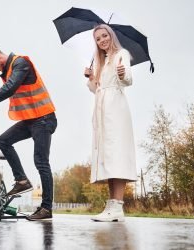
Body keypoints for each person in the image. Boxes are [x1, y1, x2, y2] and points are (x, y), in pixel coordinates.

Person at [0, 47, 57, 221]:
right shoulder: (11, 70)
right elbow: (2, 89)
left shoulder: (21, 63)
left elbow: (9, 89)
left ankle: (46, 208)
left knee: (41, 162)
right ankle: (21, 180)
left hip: (43, 119)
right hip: (31, 120)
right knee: (4, 141)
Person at [84, 24, 137, 222]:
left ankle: (118, 206)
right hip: (101, 109)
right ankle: (111, 205)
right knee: (107, 155)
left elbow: (128, 81)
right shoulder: (100, 61)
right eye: (98, 38)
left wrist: (123, 74)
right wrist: (91, 77)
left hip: (116, 108)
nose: (102, 40)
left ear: (111, 36)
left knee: (117, 154)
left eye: (105, 36)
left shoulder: (121, 54)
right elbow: (95, 88)